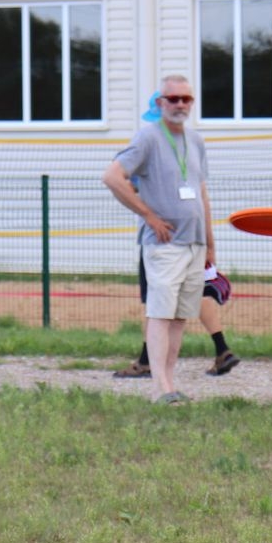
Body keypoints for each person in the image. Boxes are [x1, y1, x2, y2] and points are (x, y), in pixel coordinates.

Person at [103, 75, 214, 403]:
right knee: (161, 313)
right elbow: (112, 177)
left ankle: (170, 383)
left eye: (185, 99)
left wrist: (210, 242)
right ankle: (159, 387)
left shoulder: (195, 141)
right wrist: (149, 216)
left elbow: (201, 191)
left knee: (180, 316)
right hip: (165, 244)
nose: (180, 104)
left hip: (194, 243)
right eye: (173, 98)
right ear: (160, 103)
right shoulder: (148, 138)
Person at [113, 258, 239, 378]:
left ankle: (147, 362)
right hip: (192, 248)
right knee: (197, 294)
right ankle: (222, 348)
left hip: (165, 249)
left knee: (155, 300)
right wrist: (209, 247)